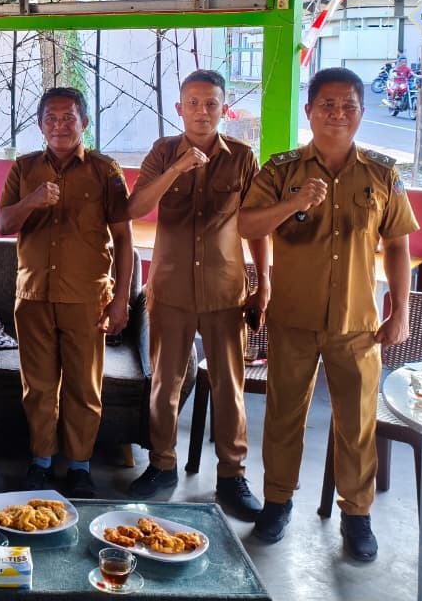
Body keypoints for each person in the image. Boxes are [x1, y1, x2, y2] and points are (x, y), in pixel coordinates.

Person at [239, 66, 418, 561]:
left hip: (358, 326)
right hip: (293, 320)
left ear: (361, 112)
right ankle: (277, 503)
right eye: (327, 105)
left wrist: (400, 310)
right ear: (309, 111)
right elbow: (246, 225)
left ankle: (356, 516)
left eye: (348, 106)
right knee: (283, 417)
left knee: (356, 424)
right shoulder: (281, 171)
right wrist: (294, 202)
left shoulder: (382, 174)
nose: (338, 114)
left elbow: (398, 245)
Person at [125, 70, 267, 519]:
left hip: (226, 291)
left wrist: (263, 283)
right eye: (193, 103)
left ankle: (232, 476)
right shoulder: (162, 152)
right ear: (180, 108)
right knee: (164, 385)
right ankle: (161, 465)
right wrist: (176, 169)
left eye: (211, 104)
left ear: (224, 109)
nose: (202, 112)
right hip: (171, 290)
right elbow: (134, 207)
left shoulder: (242, 157)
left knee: (229, 387)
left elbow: (256, 226)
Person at [0, 87, 133, 498]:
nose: (59, 126)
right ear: (40, 126)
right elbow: (3, 224)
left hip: (86, 298)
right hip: (33, 296)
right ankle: (40, 461)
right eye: (51, 119)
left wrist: (121, 299)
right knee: (37, 386)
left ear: (83, 123)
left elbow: (124, 238)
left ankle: (79, 465)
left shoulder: (106, 170)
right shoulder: (24, 168)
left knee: (84, 387)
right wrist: (33, 201)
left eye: (68, 117)